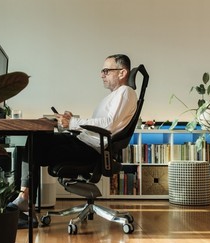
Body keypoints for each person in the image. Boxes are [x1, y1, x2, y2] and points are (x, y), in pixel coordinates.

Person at [9, 54, 138, 227]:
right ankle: (25, 201)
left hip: (91, 150)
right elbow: (96, 128)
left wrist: (73, 123)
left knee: (35, 142)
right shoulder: (113, 96)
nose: (102, 75)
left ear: (122, 73)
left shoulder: (125, 92)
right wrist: (69, 123)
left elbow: (108, 124)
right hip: (85, 143)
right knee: (36, 140)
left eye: (106, 70)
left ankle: (24, 200)